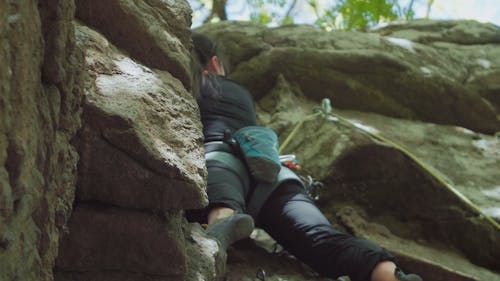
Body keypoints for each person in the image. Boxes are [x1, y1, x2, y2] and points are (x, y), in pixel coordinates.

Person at [187, 32, 423, 281]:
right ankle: (388, 274)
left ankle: (224, 220)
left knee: (223, 203)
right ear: (215, 63)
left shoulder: (189, 87)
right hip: (272, 173)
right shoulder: (240, 93)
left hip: (220, 161)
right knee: (321, 238)